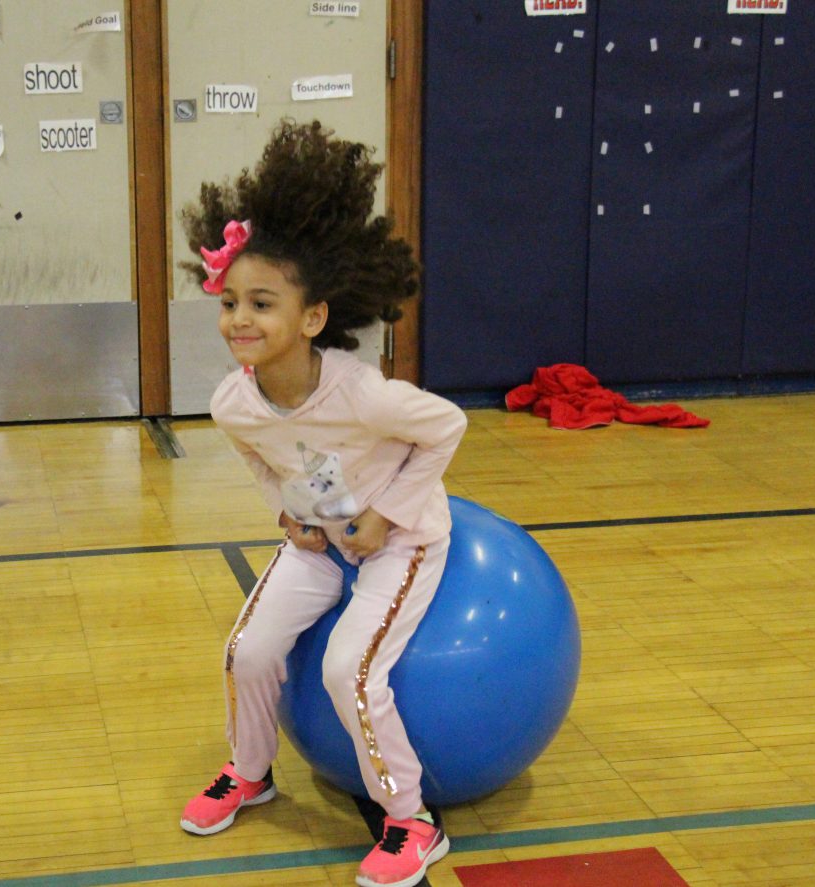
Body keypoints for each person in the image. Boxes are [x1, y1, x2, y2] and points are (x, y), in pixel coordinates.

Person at [178, 120, 466, 887]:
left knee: (349, 670)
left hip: (401, 541)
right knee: (248, 650)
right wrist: (286, 507)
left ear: (311, 319)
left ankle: (412, 819)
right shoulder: (231, 403)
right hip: (318, 538)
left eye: (262, 304)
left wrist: (390, 514)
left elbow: (448, 427)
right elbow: (260, 453)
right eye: (231, 300)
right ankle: (250, 772)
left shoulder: (364, 392)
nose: (241, 319)